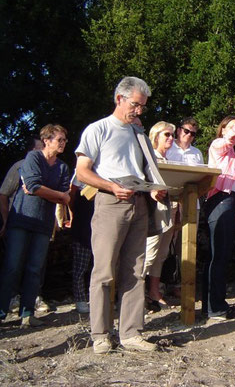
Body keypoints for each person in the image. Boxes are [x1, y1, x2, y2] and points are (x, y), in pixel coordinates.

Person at [75, 76, 166, 353]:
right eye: (136, 105)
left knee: (135, 272)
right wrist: (112, 186)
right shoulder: (97, 129)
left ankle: (131, 334)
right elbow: (82, 171)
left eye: (142, 107)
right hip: (110, 203)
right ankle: (101, 335)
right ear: (119, 99)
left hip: (139, 205)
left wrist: (153, 191)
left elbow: (146, 169)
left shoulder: (139, 133)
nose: (139, 111)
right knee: (103, 271)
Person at [0, 124, 70, 327]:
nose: (63, 143)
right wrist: (51, 192)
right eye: (60, 140)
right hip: (21, 219)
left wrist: (43, 190)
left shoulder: (63, 167)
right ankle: (2, 312)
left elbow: (64, 196)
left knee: (35, 269)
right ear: (47, 140)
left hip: (43, 223)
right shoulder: (33, 158)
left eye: (65, 140)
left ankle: (27, 314)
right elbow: (32, 185)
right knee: (12, 266)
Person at [202, 113, 235, 321]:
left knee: (218, 255)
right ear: (222, 130)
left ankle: (211, 305)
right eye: (229, 126)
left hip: (228, 203)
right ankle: (216, 308)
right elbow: (228, 139)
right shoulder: (218, 145)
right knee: (218, 256)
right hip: (222, 201)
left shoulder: (229, 153)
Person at [144, 121, 178, 311]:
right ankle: (136, 296)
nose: (171, 138)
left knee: (161, 255)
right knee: (149, 254)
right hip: (154, 214)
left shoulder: (168, 159)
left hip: (171, 212)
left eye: (172, 135)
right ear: (155, 136)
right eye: (167, 134)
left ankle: (154, 293)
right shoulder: (150, 158)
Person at [68, 172, 95, 314]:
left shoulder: (105, 170)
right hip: (82, 223)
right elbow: (71, 197)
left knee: (99, 266)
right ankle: (80, 299)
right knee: (80, 265)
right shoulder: (80, 173)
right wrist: (73, 216)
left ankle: (96, 298)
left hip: (100, 225)